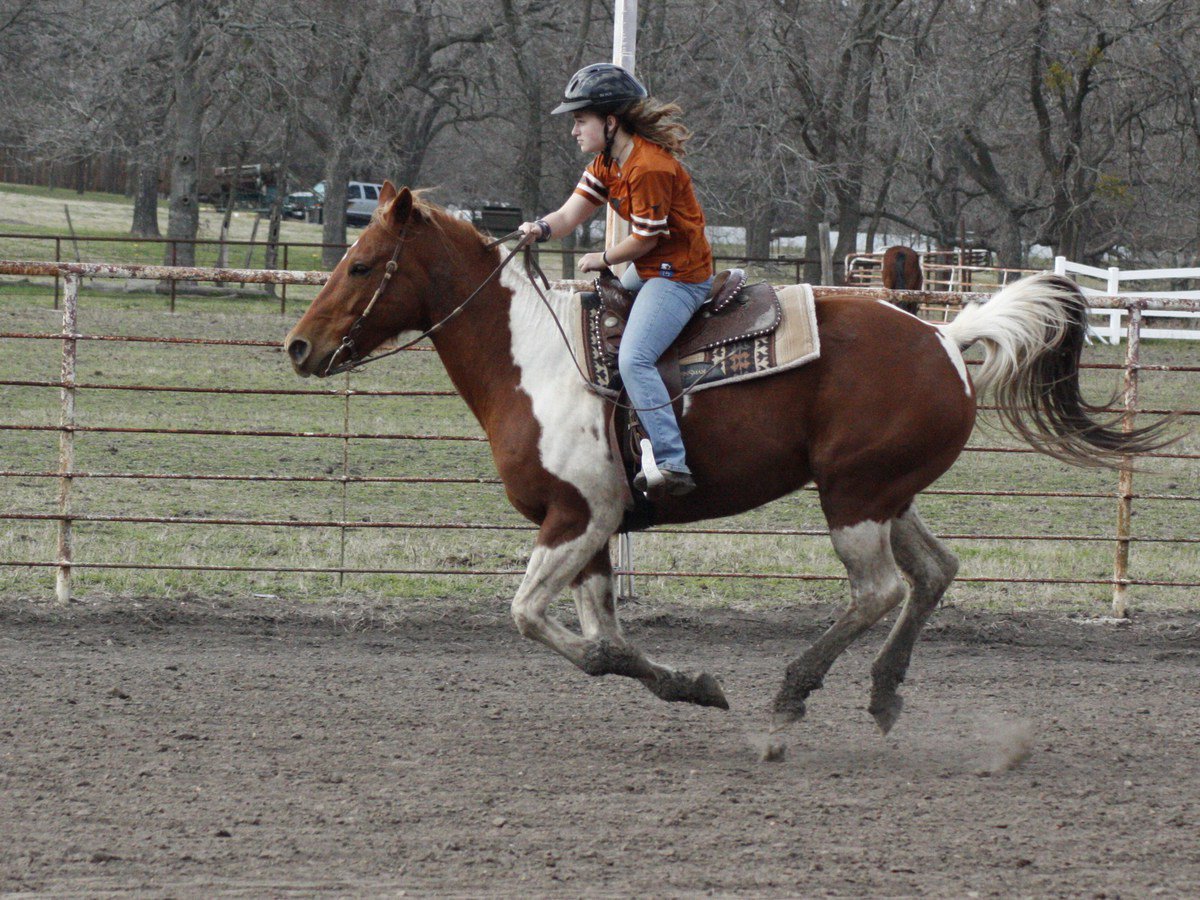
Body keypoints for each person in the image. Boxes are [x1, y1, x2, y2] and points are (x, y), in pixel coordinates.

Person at [519, 63, 714, 497]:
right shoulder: (608, 163)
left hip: (678, 277)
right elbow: (571, 213)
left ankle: (670, 460)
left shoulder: (650, 168)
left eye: (580, 120)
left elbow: (644, 240)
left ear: (610, 122)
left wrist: (601, 257)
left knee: (634, 358)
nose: (574, 130)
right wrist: (541, 229)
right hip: (648, 272)